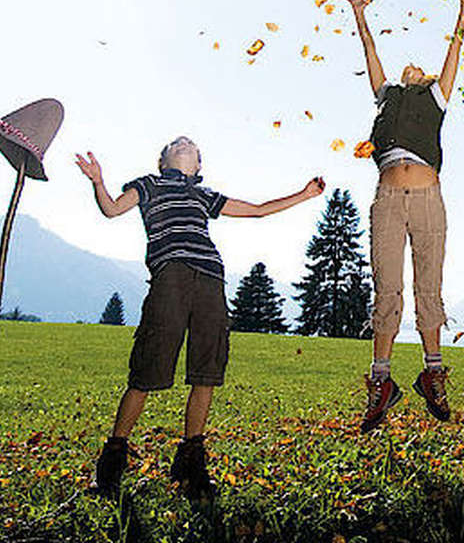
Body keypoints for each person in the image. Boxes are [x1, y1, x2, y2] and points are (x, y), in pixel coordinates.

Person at [75, 136, 324, 497]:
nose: (183, 142)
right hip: (170, 276)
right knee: (148, 369)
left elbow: (256, 210)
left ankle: (191, 465)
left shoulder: (204, 195)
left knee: (206, 371)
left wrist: (304, 195)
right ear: (164, 161)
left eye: (189, 144)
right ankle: (111, 466)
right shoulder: (150, 184)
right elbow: (112, 209)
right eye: (176, 143)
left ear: (198, 166)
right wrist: (99, 181)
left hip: (210, 278)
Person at [345, 0, 464, 432]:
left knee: (428, 289)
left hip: (428, 199)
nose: (411, 64)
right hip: (388, 201)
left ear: (428, 77)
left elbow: (456, 49)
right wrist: (360, 14)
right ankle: (381, 384)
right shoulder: (387, 96)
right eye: (408, 66)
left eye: (420, 66)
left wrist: (463, 11)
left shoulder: (435, 98)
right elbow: (370, 49)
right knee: (387, 288)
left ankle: (432, 373)